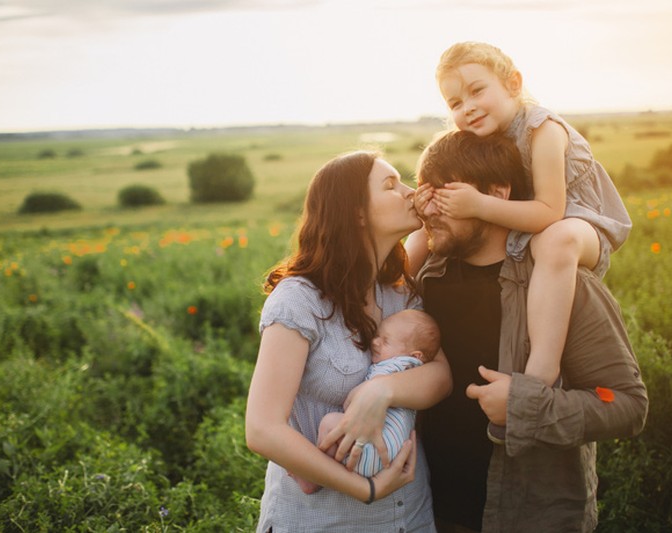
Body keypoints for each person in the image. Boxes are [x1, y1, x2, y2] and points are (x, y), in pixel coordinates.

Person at [414, 130, 648, 532]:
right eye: (426, 194)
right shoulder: (427, 277)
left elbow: (624, 403)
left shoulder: (563, 286)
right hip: (429, 513)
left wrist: (526, 407)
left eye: (446, 194)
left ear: (498, 192)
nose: (431, 210)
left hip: (527, 516)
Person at [406, 42, 633, 443]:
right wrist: (427, 208)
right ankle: (384, 283)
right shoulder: (483, 138)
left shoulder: (542, 129)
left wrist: (476, 202)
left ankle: (539, 371)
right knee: (539, 242)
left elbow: (548, 211)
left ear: (513, 83)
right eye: (455, 102)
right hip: (537, 228)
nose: (468, 108)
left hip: (581, 223)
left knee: (555, 241)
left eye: (478, 91)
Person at [245, 150, 452, 532]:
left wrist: (383, 390)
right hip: (325, 521)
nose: (410, 192)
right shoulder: (299, 299)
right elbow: (262, 428)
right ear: (356, 212)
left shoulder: (400, 293)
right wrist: (365, 488)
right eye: (391, 185)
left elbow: (441, 376)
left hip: (408, 516)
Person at [290, 309, 441, 494]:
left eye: (385, 341)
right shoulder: (415, 370)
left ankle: (312, 477)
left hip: (374, 449)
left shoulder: (395, 366)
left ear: (415, 355)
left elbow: (352, 402)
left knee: (330, 422)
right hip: (392, 455)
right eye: (377, 335)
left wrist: (357, 397)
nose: (375, 342)